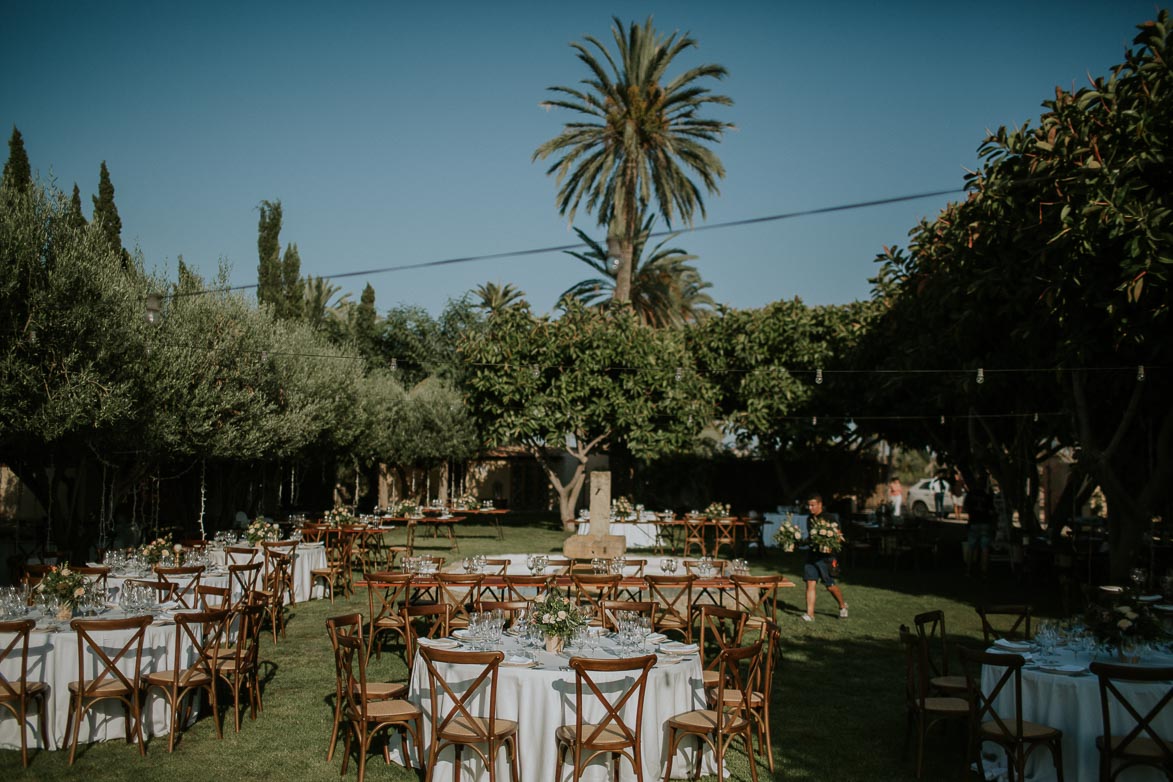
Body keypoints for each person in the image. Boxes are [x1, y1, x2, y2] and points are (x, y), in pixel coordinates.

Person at [801, 494, 848, 621]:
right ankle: (810, 614)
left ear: (820, 505)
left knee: (830, 586)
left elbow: (838, 536)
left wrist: (829, 545)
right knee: (810, 582)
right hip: (812, 555)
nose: (810, 508)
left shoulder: (830, 518)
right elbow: (811, 538)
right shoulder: (809, 519)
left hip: (826, 557)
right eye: (808, 505)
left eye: (813, 505)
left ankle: (842, 606)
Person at [964, 476, 994, 576]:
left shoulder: (970, 495)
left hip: (974, 522)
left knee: (971, 547)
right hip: (985, 523)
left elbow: (966, 508)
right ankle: (984, 571)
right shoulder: (987, 496)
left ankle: (968, 570)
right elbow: (991, 510)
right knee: (984, 548)